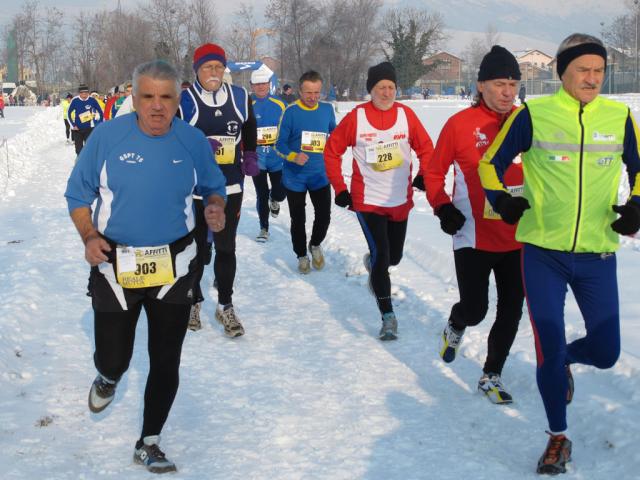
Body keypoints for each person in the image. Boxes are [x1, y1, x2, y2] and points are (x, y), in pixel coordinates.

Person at [478, 33, 640, 475]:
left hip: (597, 252)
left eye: (599, 71)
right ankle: (557, 437)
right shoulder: (534, 115)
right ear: (562, 72)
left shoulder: (620, 115)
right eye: (583, 70)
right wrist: (504, 201)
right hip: (543, 252)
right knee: (548, 348)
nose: (592, 78)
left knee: (606, 351)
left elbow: (639, 169)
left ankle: (564, 359)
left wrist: (637, 206)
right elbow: (489, 163)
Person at [64, 59, 227, 474]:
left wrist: (214, 208)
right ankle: (108, 375)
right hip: (114, 264)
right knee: (114, 356)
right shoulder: (107, 138)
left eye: (166, 97)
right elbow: (77, 196)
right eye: (148, 97)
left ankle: (150, 439)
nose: (157, 107)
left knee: (166, 357)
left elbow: (214, 188)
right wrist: (89, 238)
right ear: (134, 99)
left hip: (175, 264)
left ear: (178, 99)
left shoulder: (192, 141)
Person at [423, 46, 524, 403]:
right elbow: (433, 171)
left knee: (512, 310)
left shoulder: (526, 122)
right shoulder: (459, 125)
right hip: (472, 235)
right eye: (500, 83)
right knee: (477, 309)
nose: (508, 92)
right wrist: (442, 206)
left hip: (518, 237)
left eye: (513, 83)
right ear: (481, 85)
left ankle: (491, 374)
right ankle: (456, 322)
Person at [324, 61, 434, 340]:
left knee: (392, 257)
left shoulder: (406, 115)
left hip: (400, 200)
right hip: (367, 201)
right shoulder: (356, 118)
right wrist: (340, 188)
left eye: (391, 87)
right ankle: (388, 316)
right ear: (370, 90)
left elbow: (427, 148)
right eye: (380, 87)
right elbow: (332, 152)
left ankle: (374, 266)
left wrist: (423, 175)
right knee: (383, 255)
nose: (386, 93)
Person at [178, 43, 258, 334]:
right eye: (207, 67)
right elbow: (172, 137)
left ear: (224, 69)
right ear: (197, 70)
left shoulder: (239, 96)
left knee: (226, 247)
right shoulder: (185, 100)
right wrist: (198, 148)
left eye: (218, 67)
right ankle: (193, 301)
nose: (213, 72)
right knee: (197, 249)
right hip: (195, 190)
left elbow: (249, 127)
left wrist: (250, 155)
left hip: (231, 186)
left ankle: (226, 305)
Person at [275, 70, 336, 274]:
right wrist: (294, 156)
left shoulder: (327, 110)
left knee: (324, 216)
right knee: (298, 219)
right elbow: (279, 144)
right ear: (300, 91)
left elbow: (335, 136)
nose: (313, 97)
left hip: (319, 175)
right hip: (295, 177)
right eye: (308, 92)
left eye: (317, 92)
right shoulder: (291, 112)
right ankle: (301, 255)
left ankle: (315, 245)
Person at [249, 66, 287, 242]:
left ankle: (275, 198)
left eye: (263, 83)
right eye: (257, 84)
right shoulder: (248, 104)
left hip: (276, 156)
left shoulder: (280, 104)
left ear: (269, 84)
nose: (260, 87)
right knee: (261, 193)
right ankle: (264, 228)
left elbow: (289, 127)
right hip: (258, 157)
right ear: (252, 86)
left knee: (280, 192)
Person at [67, 84, 103, 155]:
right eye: (82, 92)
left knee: (89, 148)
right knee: (79, 150)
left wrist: (98, 123)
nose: (84, 94)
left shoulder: (92, 100)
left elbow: (101, 112)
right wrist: (73, 125)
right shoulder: (75, 100)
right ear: (79, 93)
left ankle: (88, 164)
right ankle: (80, 163)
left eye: (86, 92)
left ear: (88, 93)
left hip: (89, 129)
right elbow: (68, 113)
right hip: (78, 129)